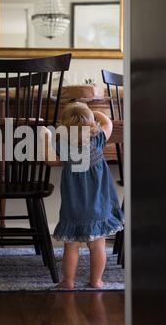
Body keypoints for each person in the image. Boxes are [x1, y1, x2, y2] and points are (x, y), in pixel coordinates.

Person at [43, 101, 124, 289]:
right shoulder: (97, 140)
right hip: (99, 207)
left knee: (71, 247)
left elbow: (49, 160)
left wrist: (46, 137)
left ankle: (68, 281)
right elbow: (109, 124)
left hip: (74, 209)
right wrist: (95, 112)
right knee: (98, 247)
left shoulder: (63, 146)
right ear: (92, 126)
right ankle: (96, 281)